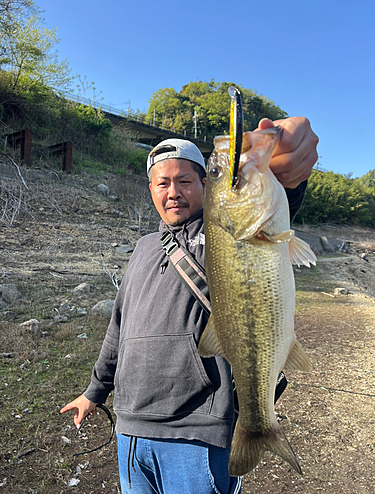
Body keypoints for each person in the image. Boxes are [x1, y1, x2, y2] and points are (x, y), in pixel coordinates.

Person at [61, 117, 319, 494]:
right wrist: (94, 392)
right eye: (163, 183)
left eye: (185, 181)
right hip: (130, 428)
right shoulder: (143, 248)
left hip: (198, 433)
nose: (174, 192)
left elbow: (259, 214)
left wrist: (288, 174)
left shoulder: (217, 231)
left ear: (204, 185)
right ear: (151, 189)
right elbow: (119, 327)